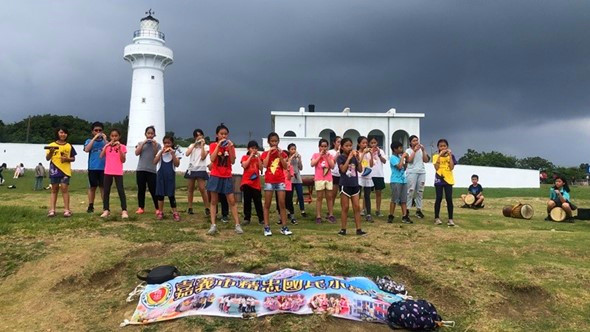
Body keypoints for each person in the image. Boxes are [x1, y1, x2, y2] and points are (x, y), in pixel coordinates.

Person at [206, 123, 243, 235]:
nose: (224, 136)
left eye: (225, 134)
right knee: (213, 201)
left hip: (227, 176)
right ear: (217, 135)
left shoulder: (230, 146)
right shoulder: (213, 145)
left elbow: (232, 161)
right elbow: (212, 159)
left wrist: (230, 147)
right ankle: (213, 225)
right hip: (215, 175)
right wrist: (218, 145)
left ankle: (237, 225)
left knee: (232, 201)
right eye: (221, 134)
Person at [261, 132, 293, 236]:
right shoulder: (265, 153)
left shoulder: (283, 153)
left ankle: (284, 227)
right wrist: (270, 153)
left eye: (276, 141)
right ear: (269, 142)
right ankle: (266, 227)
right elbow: (265, 165)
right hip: (269, 180)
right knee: (267, 204)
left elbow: (284, 166)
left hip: (280, 180)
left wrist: (279, 154)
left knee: (282, 204)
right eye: (272, 141)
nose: (274, 143)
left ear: (278, 141)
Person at [336, 138, 367, 236]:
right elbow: (343, 170)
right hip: (345, 184)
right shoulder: (340, 157)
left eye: (350, 145)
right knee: (345, 207)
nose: (349, 148)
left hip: (354, 184)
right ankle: (343, 229)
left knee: (357, 207)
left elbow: (360, 170)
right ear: (342, 147)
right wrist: (349, 158)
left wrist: (358, 159)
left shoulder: (354, 157)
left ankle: (359, 229)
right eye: (346, 146)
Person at [46, 127, 77, 217]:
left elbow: (73, 158)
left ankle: (67, 210)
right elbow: (47, 158)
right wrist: (51, 152)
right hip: (54, 170)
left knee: (64, 188)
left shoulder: (69, 146)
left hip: (65, 171)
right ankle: (52, 210)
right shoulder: (51, 145)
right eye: (61, 132)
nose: (63, 134)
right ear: (57, 133)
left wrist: (67, 159)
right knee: (54, 189)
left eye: (65, 133)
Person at [99, 128, 128, 219]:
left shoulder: (122, 146)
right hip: (108, 171)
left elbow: (123, 160)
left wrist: (119, 148)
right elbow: (101, 156)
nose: (114, 138)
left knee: (120, 190)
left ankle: (124, 210)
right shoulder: (107, 146)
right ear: (110, 136)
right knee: (106, 191)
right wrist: (106, 145)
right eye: (112, 136)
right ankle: (106, 209)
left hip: (118, 171)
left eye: (116, 136)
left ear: (119, 137)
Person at [154, 135, 182, 221]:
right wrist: (160, 153)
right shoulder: (160, 151)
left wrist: (172, 154)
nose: (167, 144)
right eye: (165, 143)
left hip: (170, 178)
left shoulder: (175, 152)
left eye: (168, 143)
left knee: (171, 195)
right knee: (160, 195)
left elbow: (177, 164)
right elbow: (154, 162)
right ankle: (160, 212)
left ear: (172, 143)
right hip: (161, 177)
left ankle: (175, 212)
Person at [135, 126, 161, 215]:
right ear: (145, 134)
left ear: (154, 134)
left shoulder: (157, 145)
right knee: (141, 189)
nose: (150, 135)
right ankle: (141, 207)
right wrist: (143, 143)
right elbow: (136, 153)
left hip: (152, 170)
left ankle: (157, 208)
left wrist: (154, 145)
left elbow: (156, 154)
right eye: (148, 133)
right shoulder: (140, 143)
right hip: (141, 169)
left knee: (153, 189)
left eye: (152, 133)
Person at [185, 129, 210, 216]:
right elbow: (187, 154)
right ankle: (190, 207)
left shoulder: (206, 147)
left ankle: (207, 208)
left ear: (203, 136)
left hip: (201, 169)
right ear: (194, 137)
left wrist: (202, 145)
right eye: (197, 135)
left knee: (202, 189)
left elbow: (203, 157)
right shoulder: (192, 145)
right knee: (190, 189)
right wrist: (195, 145)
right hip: (192, 169)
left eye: (200, 135)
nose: (199, 137)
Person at [83, 121, 107, 213]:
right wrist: (94, 138)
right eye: (96, 130)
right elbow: (86, 149)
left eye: (100, 130)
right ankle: (90, 205)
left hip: (103, 168)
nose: (98, 132)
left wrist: (104, 139)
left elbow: (110, 147)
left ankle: (105, 206)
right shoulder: (89, 141)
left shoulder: (105, 142)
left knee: (103, 187)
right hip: (92, 168)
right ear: (92, 131)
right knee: (92, 187)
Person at [311, 138, 335, 223]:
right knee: (319, 198)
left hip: (328, 178)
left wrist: (327, 157)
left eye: (325, 146)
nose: (324, 148)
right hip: (319, 178)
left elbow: (332, 166)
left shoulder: (330, 155)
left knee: (329, 197)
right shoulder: (315, 155)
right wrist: (320, 155)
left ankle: (331, 214)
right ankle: (318, 216)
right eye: (322, 146)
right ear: (319, 147)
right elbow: (312, 164)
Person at [433, 139, 456, 226]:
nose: (442, 147)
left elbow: (451, 167)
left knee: (449, 199)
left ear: (447, 147)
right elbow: (436, 167)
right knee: (438, 198)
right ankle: (436, 218)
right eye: (441, 146)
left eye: (444, 146)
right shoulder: (435, 156)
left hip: (448, 179)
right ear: (438, 147)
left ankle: (450, 219)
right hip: (439, 179)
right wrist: (439, 156)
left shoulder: (451, 156)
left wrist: (450, 156)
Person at [405, 135, 428, 219]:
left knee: (420, 191)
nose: (416, 142)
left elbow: (426, 160)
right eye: (414, 141)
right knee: (410, 191)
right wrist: (414, 151)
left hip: (421, 172)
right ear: (410, 142)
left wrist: (423, 150)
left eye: (417, 140)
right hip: (411, 172)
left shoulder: (421, 150)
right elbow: (409, 160)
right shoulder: (408, 150)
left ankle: (419, 210)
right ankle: (407, 209)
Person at [388, 142, 412, 223]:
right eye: (400, 148)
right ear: (395, 149)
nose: (401, 150)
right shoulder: (393, 158)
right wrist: (402, 158)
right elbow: (399, 167)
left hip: (403, 180)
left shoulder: (399, 157)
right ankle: (391, 215)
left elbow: (403, 168)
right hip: (395, 180)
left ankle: (405, 216)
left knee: (403, 200)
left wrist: (407, 161)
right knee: (394, 199)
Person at [357, 136, 374, 222]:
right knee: (358, 195)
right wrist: (363, 153)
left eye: (366, 143)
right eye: (363, 143)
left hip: (367, 176)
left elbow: (371, 165)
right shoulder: (357, 153)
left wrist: (371, 154)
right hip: (359, 175)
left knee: (367, 195)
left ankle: (368, 214)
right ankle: (357, 213)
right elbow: (358, 162)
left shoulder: (368, 154)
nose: (365, 145)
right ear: (359, 144)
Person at [369, 137, 387, 217]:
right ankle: (365, 209)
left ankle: (378, 210)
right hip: (370, 174)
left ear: (377, 143)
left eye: (375, 143)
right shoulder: (368, 151)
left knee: (378, 193)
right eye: (372, 143)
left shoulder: (381, 151)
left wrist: (379, 154)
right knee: (367, 193)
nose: (373, 144)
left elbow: (384, 161)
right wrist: (371, 154)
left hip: (379, 174)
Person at [287, 143, 306, 218]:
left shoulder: (297, 158)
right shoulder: (288, 157)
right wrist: (291, 157)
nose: (294, 150)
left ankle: (303, 210)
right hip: (290, 179)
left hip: (298, 178)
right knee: (289, 196)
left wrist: (300, 159)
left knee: (300, 195)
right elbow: (287, 164)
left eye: (294, 149)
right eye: (292, 149)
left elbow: (301, 168)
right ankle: (289, 211)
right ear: (289, 150)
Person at [328, 136, 342, 209]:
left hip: (341, 174)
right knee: (333, 194)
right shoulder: (330, 152)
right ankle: (330, 210)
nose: (339, 144)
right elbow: (333, 161)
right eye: (338, 142)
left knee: (343, 194)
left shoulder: (343, 152)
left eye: (341, 142)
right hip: (334, 174)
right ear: (334, 143)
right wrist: (338, 152)